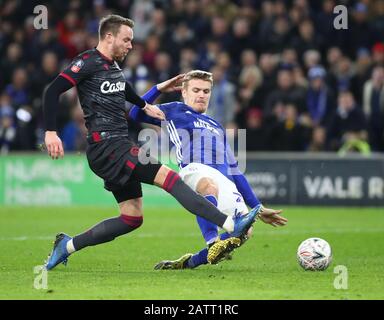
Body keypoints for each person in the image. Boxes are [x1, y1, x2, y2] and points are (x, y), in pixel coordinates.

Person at [42, 15, 258, 270]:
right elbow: (52, 91)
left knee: (132, 218)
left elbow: (126, 92)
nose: (130, 45)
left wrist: (149, 98)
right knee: (171, 178)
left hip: (114, 147)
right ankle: (231, 225)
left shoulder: (112, 68)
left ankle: (66, 245)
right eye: (126, 39)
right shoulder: (87, 61)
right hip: (109, 145)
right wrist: (51, 132)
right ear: (109, 37)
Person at [129, 70, 288, 269]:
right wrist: (159, 88)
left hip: (224, 179)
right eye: (196, 90)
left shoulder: (217, 126)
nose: (201, 94)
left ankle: (190, 262)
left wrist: (259, 208)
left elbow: (235, 171)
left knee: (245, 232)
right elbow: (134, 113)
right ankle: (212, 242)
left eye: (206, 91)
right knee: (208, 186)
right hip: (194, 168)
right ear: (184, 93)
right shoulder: (174, 110)